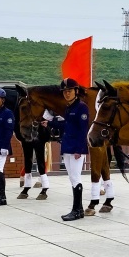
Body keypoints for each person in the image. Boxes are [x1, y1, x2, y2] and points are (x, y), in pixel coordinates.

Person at [43, 78, 90, 221]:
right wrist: (49, 123)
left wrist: (79, 149)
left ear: (76, 91)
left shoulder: (82, 107)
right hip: (67, 146)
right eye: (64, 91)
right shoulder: (68, 108)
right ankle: (78, 210)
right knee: (72, 178)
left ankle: (77, 210)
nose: (67, 94)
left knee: (76, 178)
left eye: (69, 91)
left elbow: (83, 130)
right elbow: (66, 126)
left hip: (76, 148)